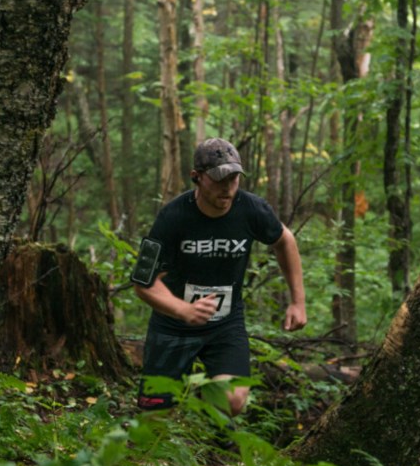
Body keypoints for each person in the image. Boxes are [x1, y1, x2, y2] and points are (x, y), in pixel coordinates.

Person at [131, 138, 307, 416]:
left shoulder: (251, 209)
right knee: (154, 417)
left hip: (225, 324)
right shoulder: (172, 217)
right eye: (219, 179)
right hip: (172, 325)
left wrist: (298, 301)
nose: (227, 187)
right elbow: (143, 282)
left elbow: (284, 239)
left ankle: (209, 420)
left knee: (233, 399)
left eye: (234, 178)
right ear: (197, 178)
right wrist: (183, 310)